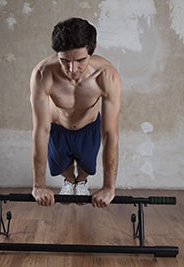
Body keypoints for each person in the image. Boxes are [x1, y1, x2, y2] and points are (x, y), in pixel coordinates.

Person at [30, 17, 121, 208]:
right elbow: (40, 131)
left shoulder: (106, 76)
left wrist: (109, 187)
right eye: (64, 61)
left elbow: (110, 133)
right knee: (62, 167)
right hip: (57, 127)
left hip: (89, 127)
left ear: (92, 49)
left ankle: (82, 181)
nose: (72, 69)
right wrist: (38, 185)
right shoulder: (42, 74)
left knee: (87, 166)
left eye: (80, 60)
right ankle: (70, 181)